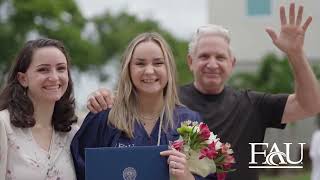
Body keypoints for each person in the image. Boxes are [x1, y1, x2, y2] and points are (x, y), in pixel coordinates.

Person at [86, 3, 320, 180]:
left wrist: (296, 53)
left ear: (233, 63)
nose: (212, 63)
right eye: (204, 56)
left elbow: (310, 105)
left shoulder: (252, 104)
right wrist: (105, 97)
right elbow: (130, 101)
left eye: (220, 57)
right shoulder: (168, 103)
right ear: (190, 61)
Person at [70, 32, 211, 180]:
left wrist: (187, 177)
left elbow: (208, 176)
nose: (149, 71)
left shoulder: (189, 122)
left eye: (158, 63)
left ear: (169, 68)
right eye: (140, 63)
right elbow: (79, 170)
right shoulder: (105, 116)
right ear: (128, 69)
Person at [0, 38, 78, 179]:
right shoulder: (3, 125)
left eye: (61, 68)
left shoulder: (72, 133)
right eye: (43, 69)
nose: (54, 77)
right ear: (23, 79)